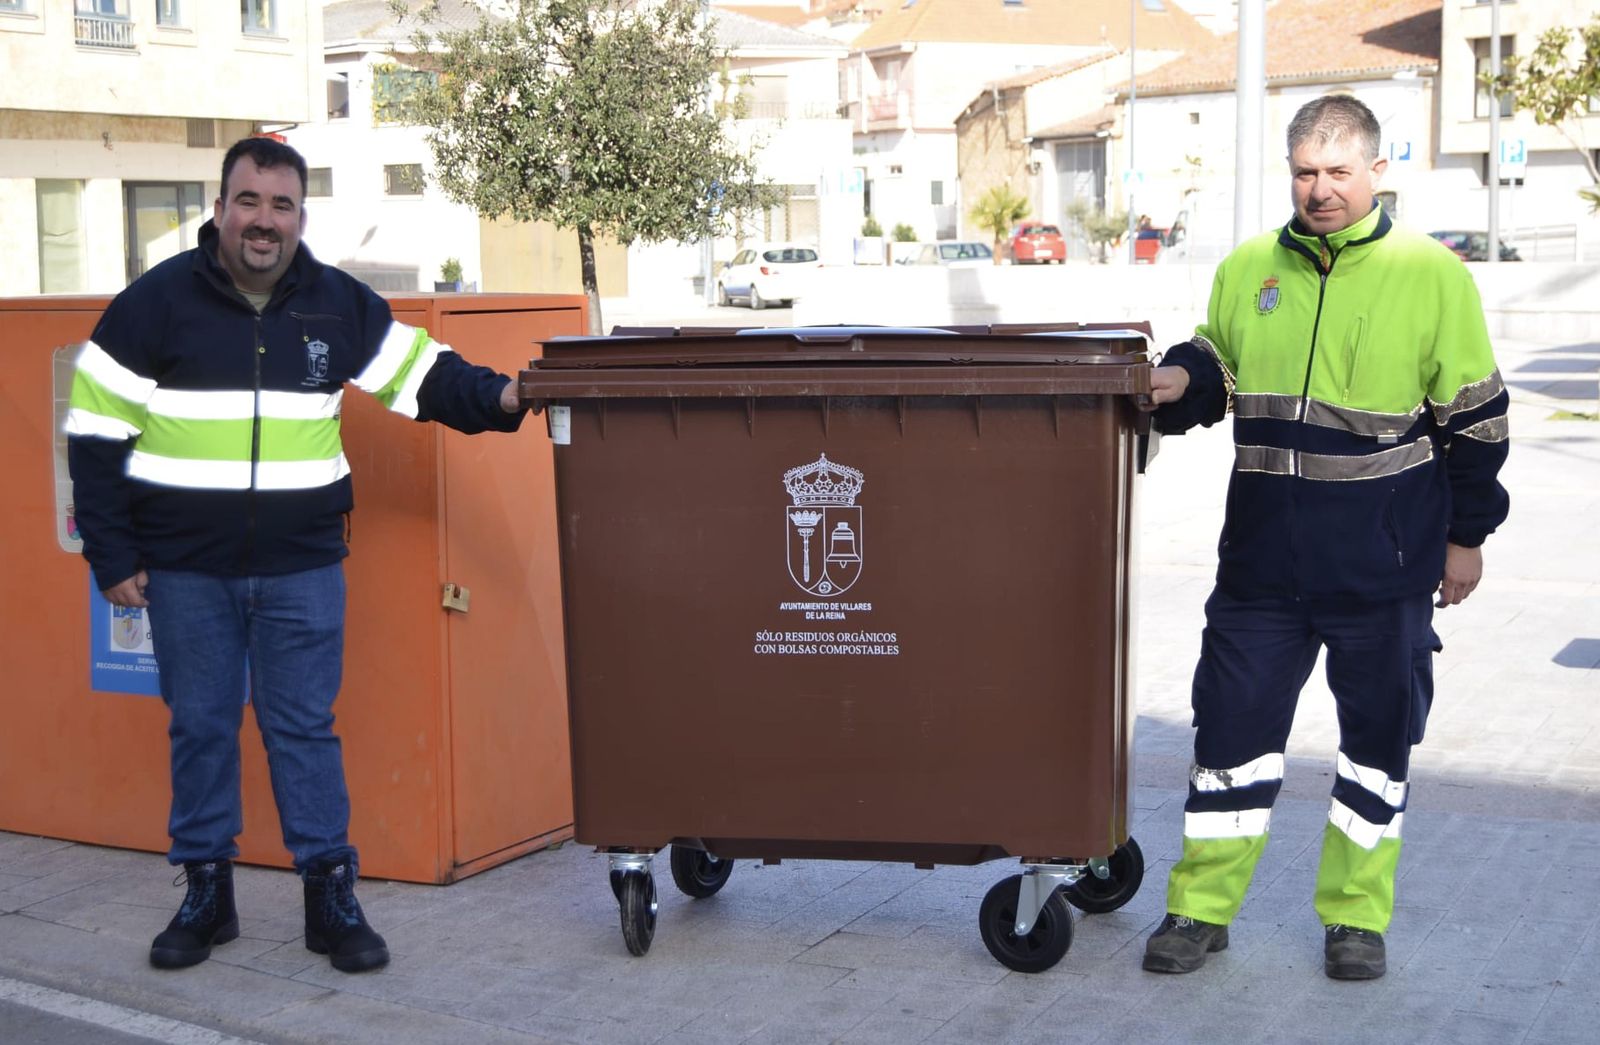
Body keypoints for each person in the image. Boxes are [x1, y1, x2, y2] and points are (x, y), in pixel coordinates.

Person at [64, 137, 527, 973]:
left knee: (302, 729)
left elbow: (425, 379)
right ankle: (207, 892)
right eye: (248, 202)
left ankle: (329, 896)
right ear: (219, 209)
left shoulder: (336, 305)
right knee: (200, 726)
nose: (263, 222)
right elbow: (94, 433)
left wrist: (506, 396)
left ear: (300, 218)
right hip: (183, 568)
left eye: (281, 206)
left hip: (302, 564)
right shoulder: (154, 303)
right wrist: (113, 554)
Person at [1138, 95, 1509, 981]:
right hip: (1261, 564)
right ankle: (1199, 909)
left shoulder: (1433, 276)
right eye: (1306, 171)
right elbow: (1218, 369)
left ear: (1377, 173)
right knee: (1227, 736)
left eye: (1339, 172)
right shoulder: (1249, 268)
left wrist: (1467, 538)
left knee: (1377, 746)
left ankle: (1355, 918)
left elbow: (1478, 423)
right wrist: (1172, 381)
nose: (1320, 189)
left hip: (1382, 567)